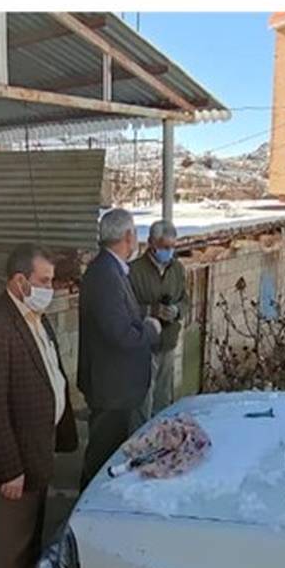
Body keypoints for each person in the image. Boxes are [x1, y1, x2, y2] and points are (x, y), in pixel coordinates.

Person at [0, 243, 78, 568]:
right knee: (13, 550)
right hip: (17, 461)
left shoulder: (35, 318)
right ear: (20, 281)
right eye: (44, 281)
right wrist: (10, 470)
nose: (51, 289)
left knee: (32, 538)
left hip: (38, 449)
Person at [77, 208, 161, 488]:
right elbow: (120, 334)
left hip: (115, 383)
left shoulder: (111, 270)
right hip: (111, 386)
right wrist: (150, 329)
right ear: (128, 236)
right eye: (135, 233)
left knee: (110, 452)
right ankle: (89, 505)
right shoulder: (105, 275)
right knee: (102, 457)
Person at [129, 219, 188, 420]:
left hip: (168, 343)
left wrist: (176, 310)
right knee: (141, 404)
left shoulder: (177, 269)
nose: (169, 251)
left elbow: (185, 300)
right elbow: (125, 309)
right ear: (152, 243)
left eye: (172, 247)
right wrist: (153, 310)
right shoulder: (133, 271)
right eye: (164, 247)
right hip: (144, 346)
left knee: (163, 402)